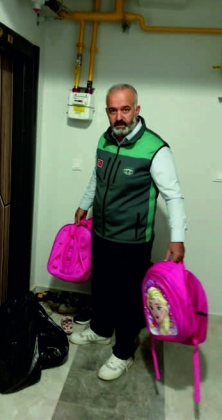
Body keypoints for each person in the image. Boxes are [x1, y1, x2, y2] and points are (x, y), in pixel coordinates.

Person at [69, 83, 187, 381]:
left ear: (137, 110)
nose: (119, 116)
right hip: (101, 232)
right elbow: (96, 178)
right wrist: (84, 204)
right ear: (107, 112)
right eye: (113, 110)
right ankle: (100, 329)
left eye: (125, 109)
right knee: (102, 285)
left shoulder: (155, 148)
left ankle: (124, 352)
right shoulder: (105, 140)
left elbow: (173, 196)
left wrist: (177, 238)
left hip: (132, 240)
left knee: (127, 298)